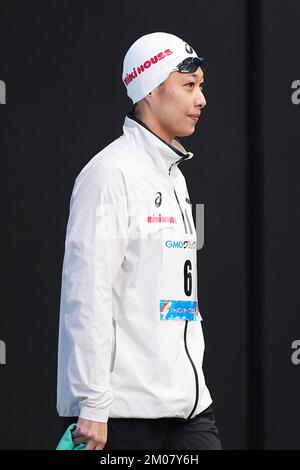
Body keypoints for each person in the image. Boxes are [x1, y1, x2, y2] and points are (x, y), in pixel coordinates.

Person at [57, 31, 222, 450]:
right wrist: (92, 404)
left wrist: (193, 388)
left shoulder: (175, 176)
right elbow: (86, 293)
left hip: (188, 407)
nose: (201, 99)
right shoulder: (109, 174)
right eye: (189, 86)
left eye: (201, 86)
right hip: (123, 415)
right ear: (149, 90)